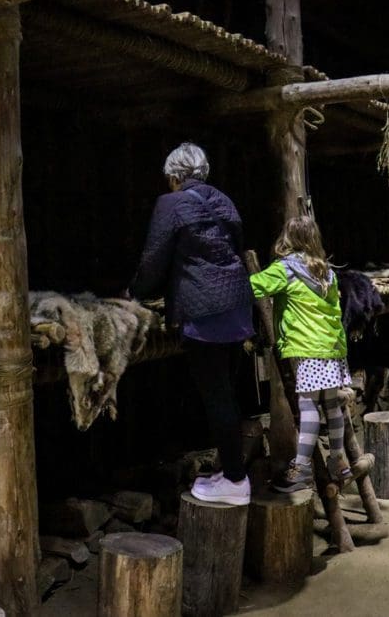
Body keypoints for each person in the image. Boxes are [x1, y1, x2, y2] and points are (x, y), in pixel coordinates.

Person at [129, 142, 254, 506]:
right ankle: (232, 470)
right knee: (226, 393)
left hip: (206, 311)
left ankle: (234, 480)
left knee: (217, 398)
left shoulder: (171, 203)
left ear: (173, 177)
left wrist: (134, 292)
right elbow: (234, 248)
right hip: (237, 305)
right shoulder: (225, 200)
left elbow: (154, 258)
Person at [249, 215, 354, 493]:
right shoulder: (328, 271)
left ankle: (301, 469)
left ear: (288, 238)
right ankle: (338, 461)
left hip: (309, 351)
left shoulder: (286, 269)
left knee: (308, 407)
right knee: (331, 406)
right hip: (332, 349)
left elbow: (253, 286)